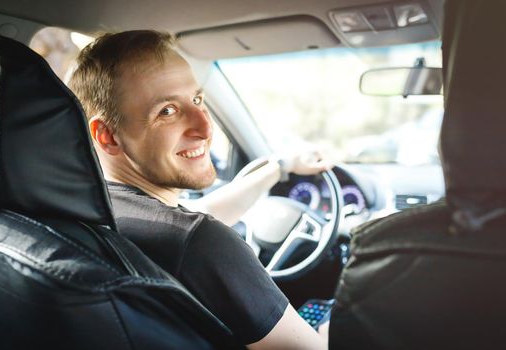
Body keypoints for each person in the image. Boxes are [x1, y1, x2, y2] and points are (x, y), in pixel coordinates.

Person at [69, 30, 329, 349]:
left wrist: (281, 168)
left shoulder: (89, 211)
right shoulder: (201, 246)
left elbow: (197, 215)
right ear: (107, 135)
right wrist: (334, 327)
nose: (206, 128)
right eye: (167, 111)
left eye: (197, 99)